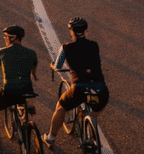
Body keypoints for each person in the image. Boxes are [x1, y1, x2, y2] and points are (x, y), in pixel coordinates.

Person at [44, 16, 109, 145]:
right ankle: (92, 136)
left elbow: (58, 65)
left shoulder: (66, 47)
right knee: (95, 112)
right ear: (85, 31)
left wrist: (53, 66)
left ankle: (50, 138)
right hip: (101, 88)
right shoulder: (94, 45)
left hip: (79, 88)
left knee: (61, 107)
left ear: (71, 32)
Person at [0, 25, 38, 143]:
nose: (5, 39)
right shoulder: (32, 53)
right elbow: (33, 70)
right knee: (30, 105)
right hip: (27, 89)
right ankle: (33, 126)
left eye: (6, 37)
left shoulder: (2, 52)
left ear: (11, 38)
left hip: (9, 90)